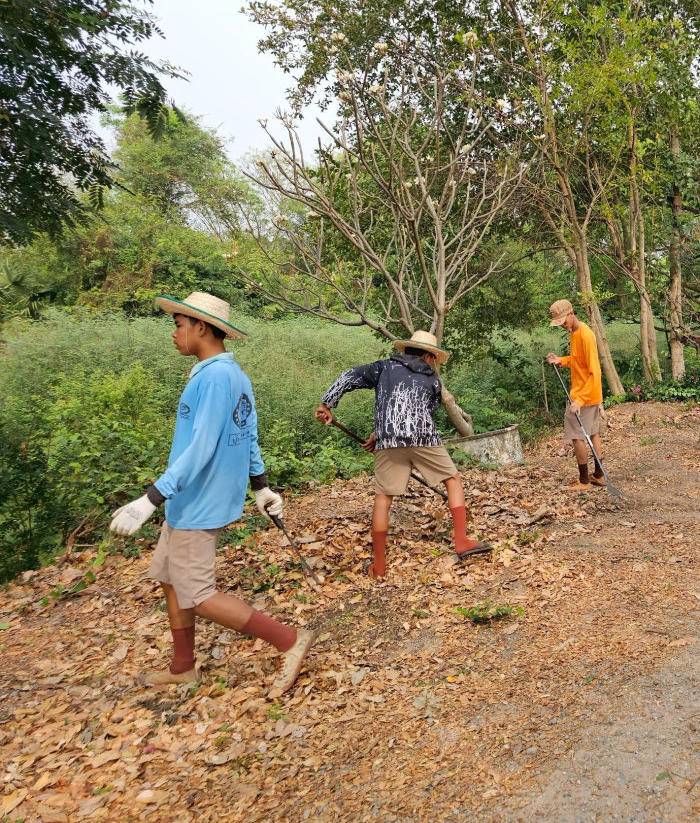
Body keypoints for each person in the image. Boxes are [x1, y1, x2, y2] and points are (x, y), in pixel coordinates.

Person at [108, 292, 315, 694]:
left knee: (198, 595)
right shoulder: (230, 375)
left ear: (200, 328)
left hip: (197, 499)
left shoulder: (216, 377)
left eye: (179, 324)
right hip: (190, 501)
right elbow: (247, 432)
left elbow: (200, 448)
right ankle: (183, 666)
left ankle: (290, 640)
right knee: (170, 579)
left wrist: (151, 497)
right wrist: (261, 485)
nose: (174, 333)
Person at [316, 331, 491, 577]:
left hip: (389, 439)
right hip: (423, 436)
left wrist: (327, 404)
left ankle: (379, 566)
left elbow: (349, 376)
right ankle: (461, 541)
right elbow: (421, 412)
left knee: (384, 497)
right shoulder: (433, 381)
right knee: (452, 480)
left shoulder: (384, 368)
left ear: (406, 351)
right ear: (430, 356)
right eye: (433, 359)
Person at [545, 300, 606, 490]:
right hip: (589, 393)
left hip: (584, 394)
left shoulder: (585, 336)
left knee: (577, 435)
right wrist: (561, 360)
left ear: (571, 314)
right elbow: (579, 361)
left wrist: (579, 400)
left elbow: (595, 372)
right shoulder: (575, 333)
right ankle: (599, 475)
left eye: (564, 320)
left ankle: (584, 481)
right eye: (559, 322)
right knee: (593, 433)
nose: (563, 325)